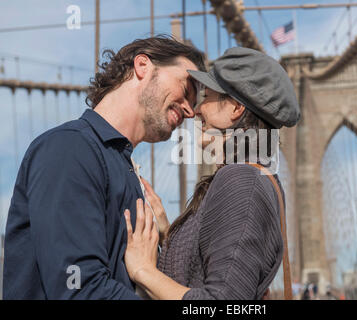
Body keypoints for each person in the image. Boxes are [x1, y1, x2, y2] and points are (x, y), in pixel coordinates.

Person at [2, 36, 205, 299]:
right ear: (143, 65)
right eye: (187, 87)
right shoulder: (70, 149)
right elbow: (78, 290)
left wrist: (169, 243)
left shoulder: (123, 168)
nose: (190, 111)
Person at [122, 47, 301, 300]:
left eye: (208, 96)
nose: (196, 111)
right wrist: (168, 234)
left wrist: (142, 270)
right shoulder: (253, 177)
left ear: (236, 108)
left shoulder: (243, 182)